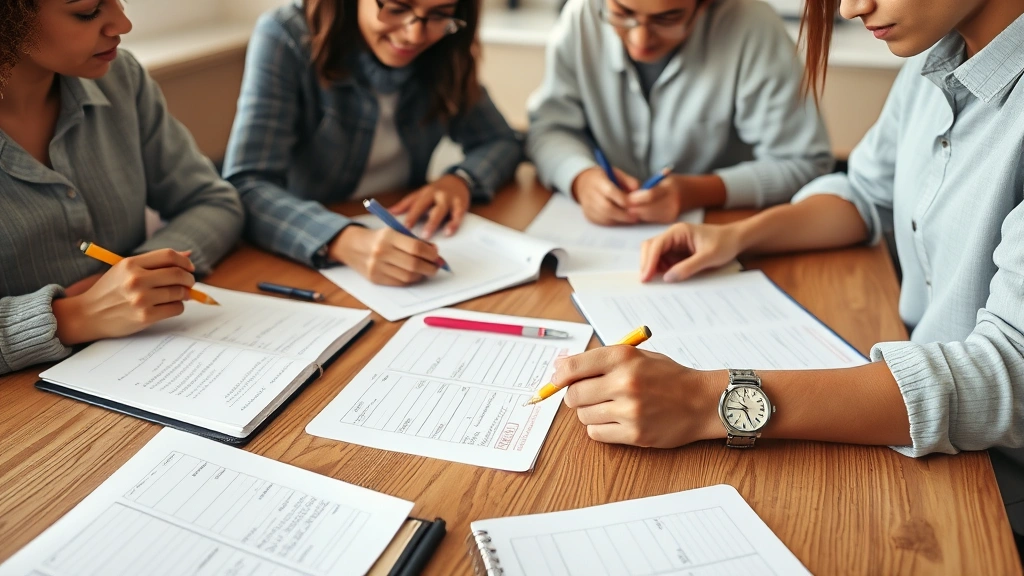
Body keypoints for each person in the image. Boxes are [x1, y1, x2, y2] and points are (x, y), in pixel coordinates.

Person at [553, 0, 1024, 547]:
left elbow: (1009, 375)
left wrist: (709, 402)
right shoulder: (936, 58)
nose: (851, 8)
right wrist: (737, 236)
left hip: (993, 492)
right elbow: (864, 193)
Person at [0, 0, 244, 376]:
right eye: (87, 12)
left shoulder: (121, 77)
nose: (123, 24)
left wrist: (141, 276)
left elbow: (212, 201)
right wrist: (71, 316)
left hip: (149, 360)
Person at [224, 0, 521, 286]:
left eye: (439, 14)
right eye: (396, 8)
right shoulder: (286, 36)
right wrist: (342, 240)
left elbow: (502, 140)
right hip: (304, 255)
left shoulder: (446, 47)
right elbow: (247, 184)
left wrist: (461, 179)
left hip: (406, 231)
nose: (414, 35)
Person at [525, 0, 833, 226]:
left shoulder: (753, 26)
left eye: (668, 18)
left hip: (722, 236)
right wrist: (580, 177)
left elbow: (806, 163)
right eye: (623, 13)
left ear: (705, 5)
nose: (640, 40)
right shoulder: (581, 17)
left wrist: (697, 193)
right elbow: (549, 128)